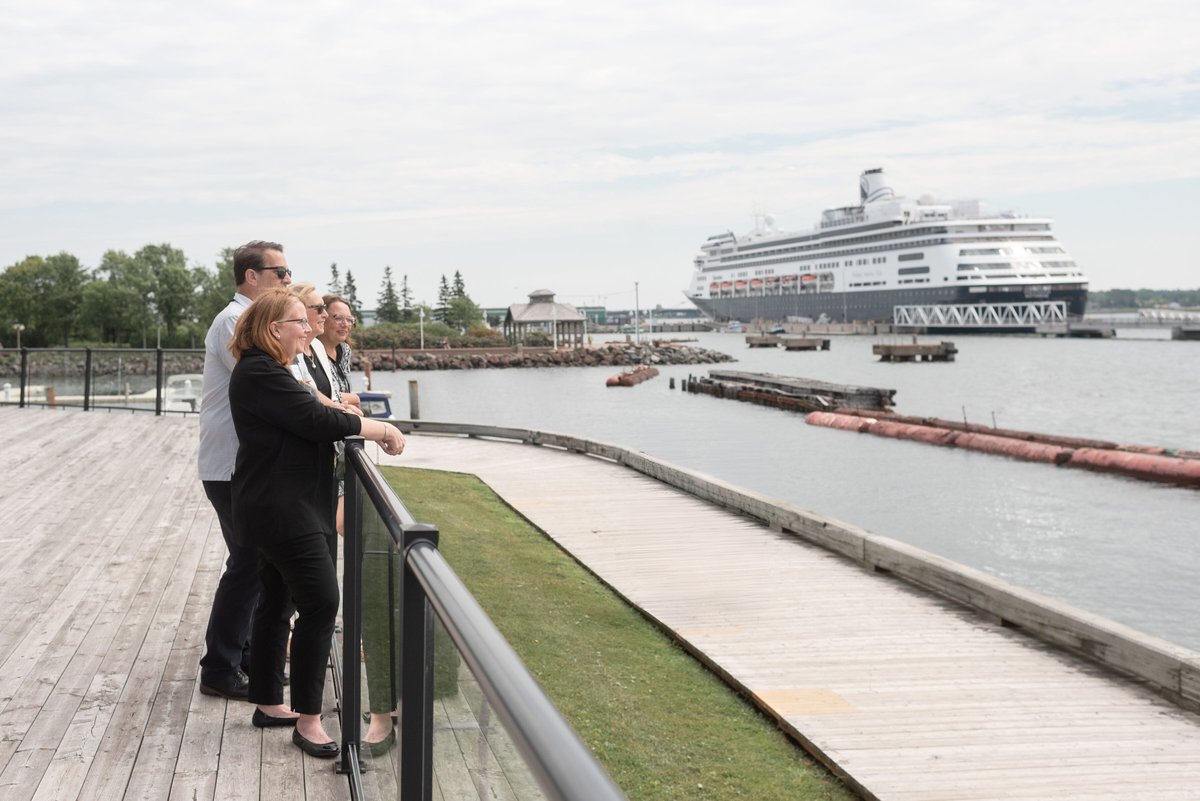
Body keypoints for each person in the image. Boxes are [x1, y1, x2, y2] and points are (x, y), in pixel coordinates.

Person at [227, 288, 404, 757]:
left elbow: (315, 406)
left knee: (276, 601)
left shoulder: (270, 370)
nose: (310, 328)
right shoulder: (261, 371)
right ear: (273, 329)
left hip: (281, 504)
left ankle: (268, 700)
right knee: (323, 602)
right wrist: (382, 429)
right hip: (284, 509)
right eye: (300, 322)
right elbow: (314, 419)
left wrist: (337, 409)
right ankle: (308, 719)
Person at [196, 240, 292, 700]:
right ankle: (220, 667)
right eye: (280, 272)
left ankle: (248, 655)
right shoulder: (237, 320)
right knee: (249, 564)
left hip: (238, 464)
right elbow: (276, 381)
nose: (287, 280)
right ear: (251, 276)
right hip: (230, 465)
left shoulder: (247, 319)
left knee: (255, 562)